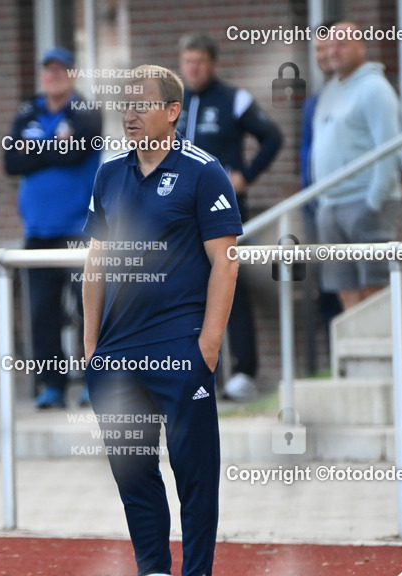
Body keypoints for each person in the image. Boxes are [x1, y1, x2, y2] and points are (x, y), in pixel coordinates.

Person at [82, 65, 241, 576]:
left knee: (194, 470)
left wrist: (210, 343)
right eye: (124, 103)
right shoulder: (107, 175)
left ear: (172, 111)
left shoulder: (204, 171)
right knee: (134, 473)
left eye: (141, 102)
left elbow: (226, 261)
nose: (128, 111)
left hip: (181, 347)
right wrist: (89, 344)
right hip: (116, 355)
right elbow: (96, 261)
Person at [176, 33, 282, 402]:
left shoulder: (233, 99)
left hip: (224, 210)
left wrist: (246, 175)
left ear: (212, 63)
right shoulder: (175, 102)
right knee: (190, 289)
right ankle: (201, 371)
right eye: (187, 61)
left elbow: (272, 137)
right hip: (183, 213)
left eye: (200, 61)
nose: (193, 68)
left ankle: (244, 371)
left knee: (230, 286)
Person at [4, 47, 102, 409]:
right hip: (38, 231)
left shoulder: (88, 113)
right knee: (42, 312)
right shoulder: (27, 111)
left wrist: (34, 152)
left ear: (72, 75)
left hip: (79, 229)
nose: (53, 76)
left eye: (61, 70)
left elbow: (76, 152)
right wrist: (52, 148)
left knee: (88, 308)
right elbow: (11, 161)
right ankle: (52, 386)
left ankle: (96, 380)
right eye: (48, 70)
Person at [311, 21, 402, 310]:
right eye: (329, 45)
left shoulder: (375, 89)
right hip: (331, 204)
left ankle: (382, 353)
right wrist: (322, 200)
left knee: (374, 290)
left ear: (361, 47)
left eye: (343, 43)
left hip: (365, 203)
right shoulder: (329, 92)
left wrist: (373, 201)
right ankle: (352, 355)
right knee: (344, 289)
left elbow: (390, 148)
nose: (334, 51)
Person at [300, 22, 343, 339]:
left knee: (351, 283)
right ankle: (336, 360)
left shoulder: (360, 94)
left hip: (345, 204)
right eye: (318, 49)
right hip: (316, 207)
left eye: (329, 48)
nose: (324, 55)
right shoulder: (314, 102)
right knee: (326, 287)